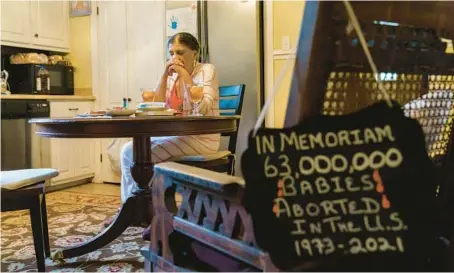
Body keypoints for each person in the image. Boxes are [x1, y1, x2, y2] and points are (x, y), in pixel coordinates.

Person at [105, 32, 220, 227]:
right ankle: (131, 207)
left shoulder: (207, 70)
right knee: (128, 150)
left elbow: (204, 108)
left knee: (136, 154)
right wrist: (164, 76)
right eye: (171, 53)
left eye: (180, 52)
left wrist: (185, 75)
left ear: (195, 53)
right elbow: (155, 107)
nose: (175, 58)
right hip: (178, 136)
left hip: (202, 139)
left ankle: (136, 210)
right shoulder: (171, 78)